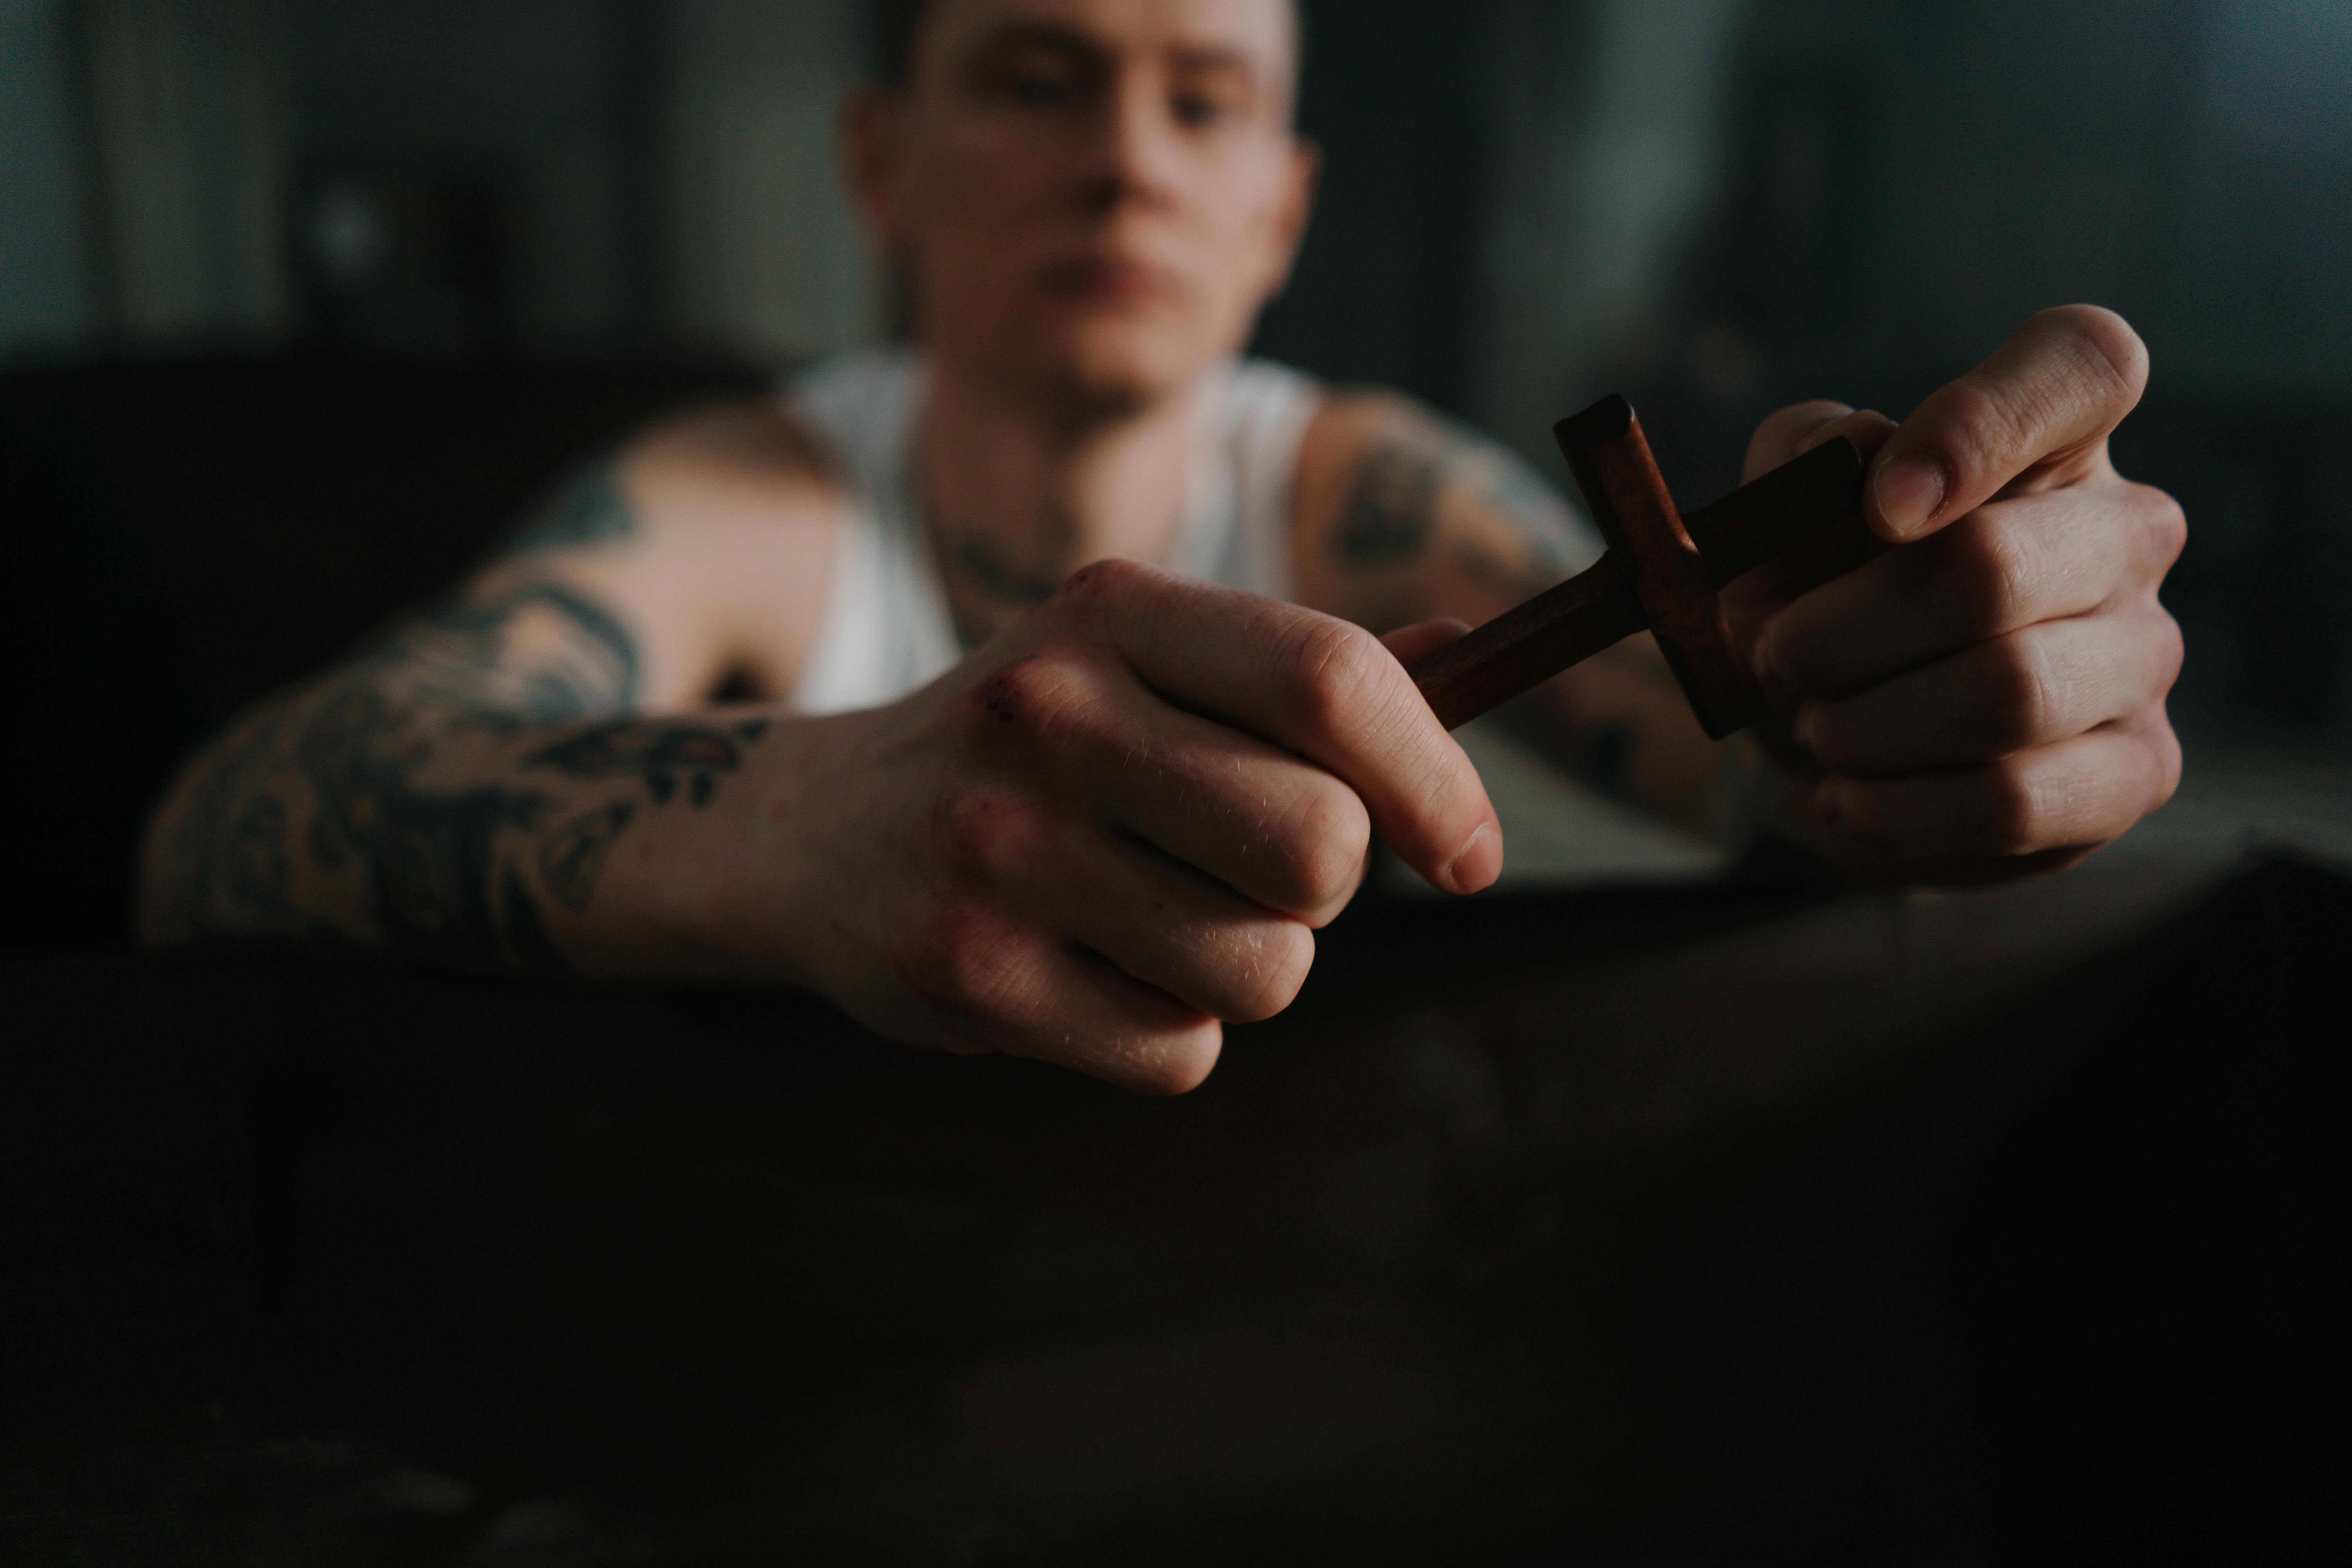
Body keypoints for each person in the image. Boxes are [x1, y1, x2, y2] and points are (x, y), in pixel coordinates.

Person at [138, 0, 2186, 1093]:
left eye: (1203, 98)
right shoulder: (752, 492)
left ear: (1278, 214)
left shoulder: (1356, 498)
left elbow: (1770, 769)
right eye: (1039, 73)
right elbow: (228, 821)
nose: (1128, 155)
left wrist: (1946, 690)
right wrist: (796, 819)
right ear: (884, 161)